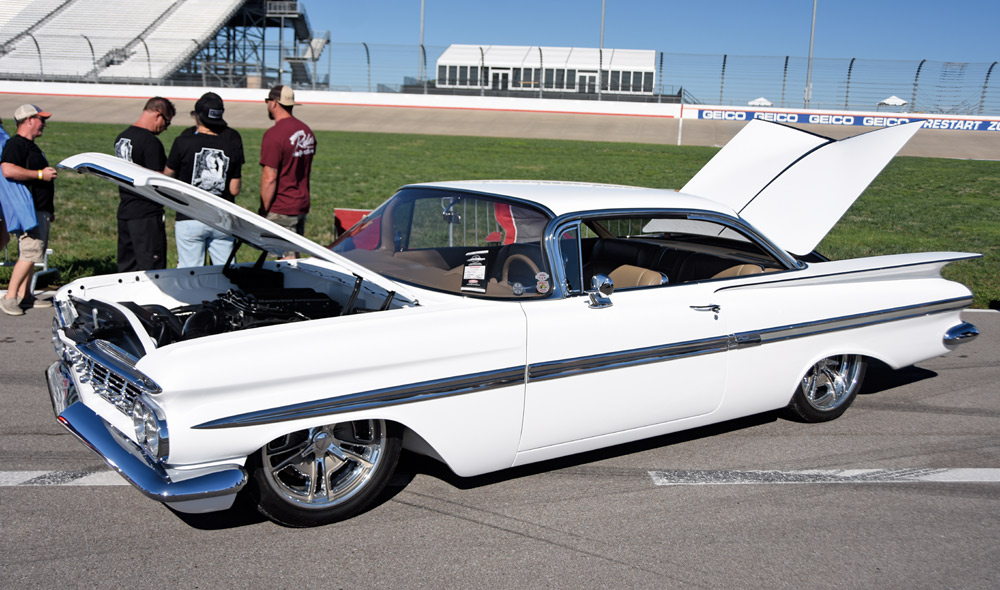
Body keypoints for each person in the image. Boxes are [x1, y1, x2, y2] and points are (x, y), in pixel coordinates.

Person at [164, 93, 242, 267]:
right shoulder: (231, 145)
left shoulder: (182, 141)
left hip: (189, 214)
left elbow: (167, 176)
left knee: (190, 271)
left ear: (197, 116)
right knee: (225, 271)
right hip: (222, 218)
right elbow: (234, 189)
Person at [0, 104, 57, 316]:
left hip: (40, 209)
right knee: (29, 252)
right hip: (29, 210)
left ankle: (25, 296)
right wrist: (41, 175)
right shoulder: (16, 144)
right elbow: (7, 169)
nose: (44, 124)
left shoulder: (30, 146)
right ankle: (10, 297)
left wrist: (49, 209)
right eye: (41, 120)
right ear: (29, 120)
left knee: (33, 254)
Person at [113, 97, 175, 272]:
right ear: (158, 115)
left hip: (125, 209)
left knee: (127, 268)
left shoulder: (122, 138)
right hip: (146, 213)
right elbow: (157, 179)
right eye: (167, 122)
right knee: (152, 267)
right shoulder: (150, 142)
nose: (165, 128)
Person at [260, 85, 316, 257]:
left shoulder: (274, 134)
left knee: (286, 261)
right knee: (294, 255)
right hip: (301, 204)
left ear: (274, 103)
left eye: (268, 101)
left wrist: (263, 209)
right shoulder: (306, 131)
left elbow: (269, 177)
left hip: (282, 207)